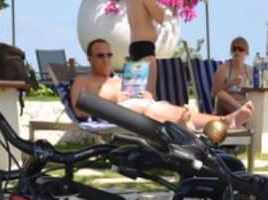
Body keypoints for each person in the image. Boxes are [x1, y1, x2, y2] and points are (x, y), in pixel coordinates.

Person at [71, 39, 253, 131]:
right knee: (149, 109)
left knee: (158, 105)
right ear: (89, 58)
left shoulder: (120, 80)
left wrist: (146, 96)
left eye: (109, 55)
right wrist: (112, 106)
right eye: (100, 56)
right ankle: (196, 122)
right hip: (112, 114)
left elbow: (143, 99)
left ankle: (222, 121)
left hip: (136, 108)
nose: (106, 60)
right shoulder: (82, 81)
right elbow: (78, 110)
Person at [127, 0, 166, 95]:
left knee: (134, 94)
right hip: (145, 48)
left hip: (136, 46)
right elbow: (160, 17)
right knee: (149, 94)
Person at [211, 37, 253, 115]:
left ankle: (244, 112)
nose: (237, 51)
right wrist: (230, 83)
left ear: (246, 53)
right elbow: (214, 93)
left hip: (243, 103)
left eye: (240, 49)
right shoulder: (224, 69)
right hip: (225, 108)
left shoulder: (250, 71)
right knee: (221, 95)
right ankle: (245, 113)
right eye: (234, 49)